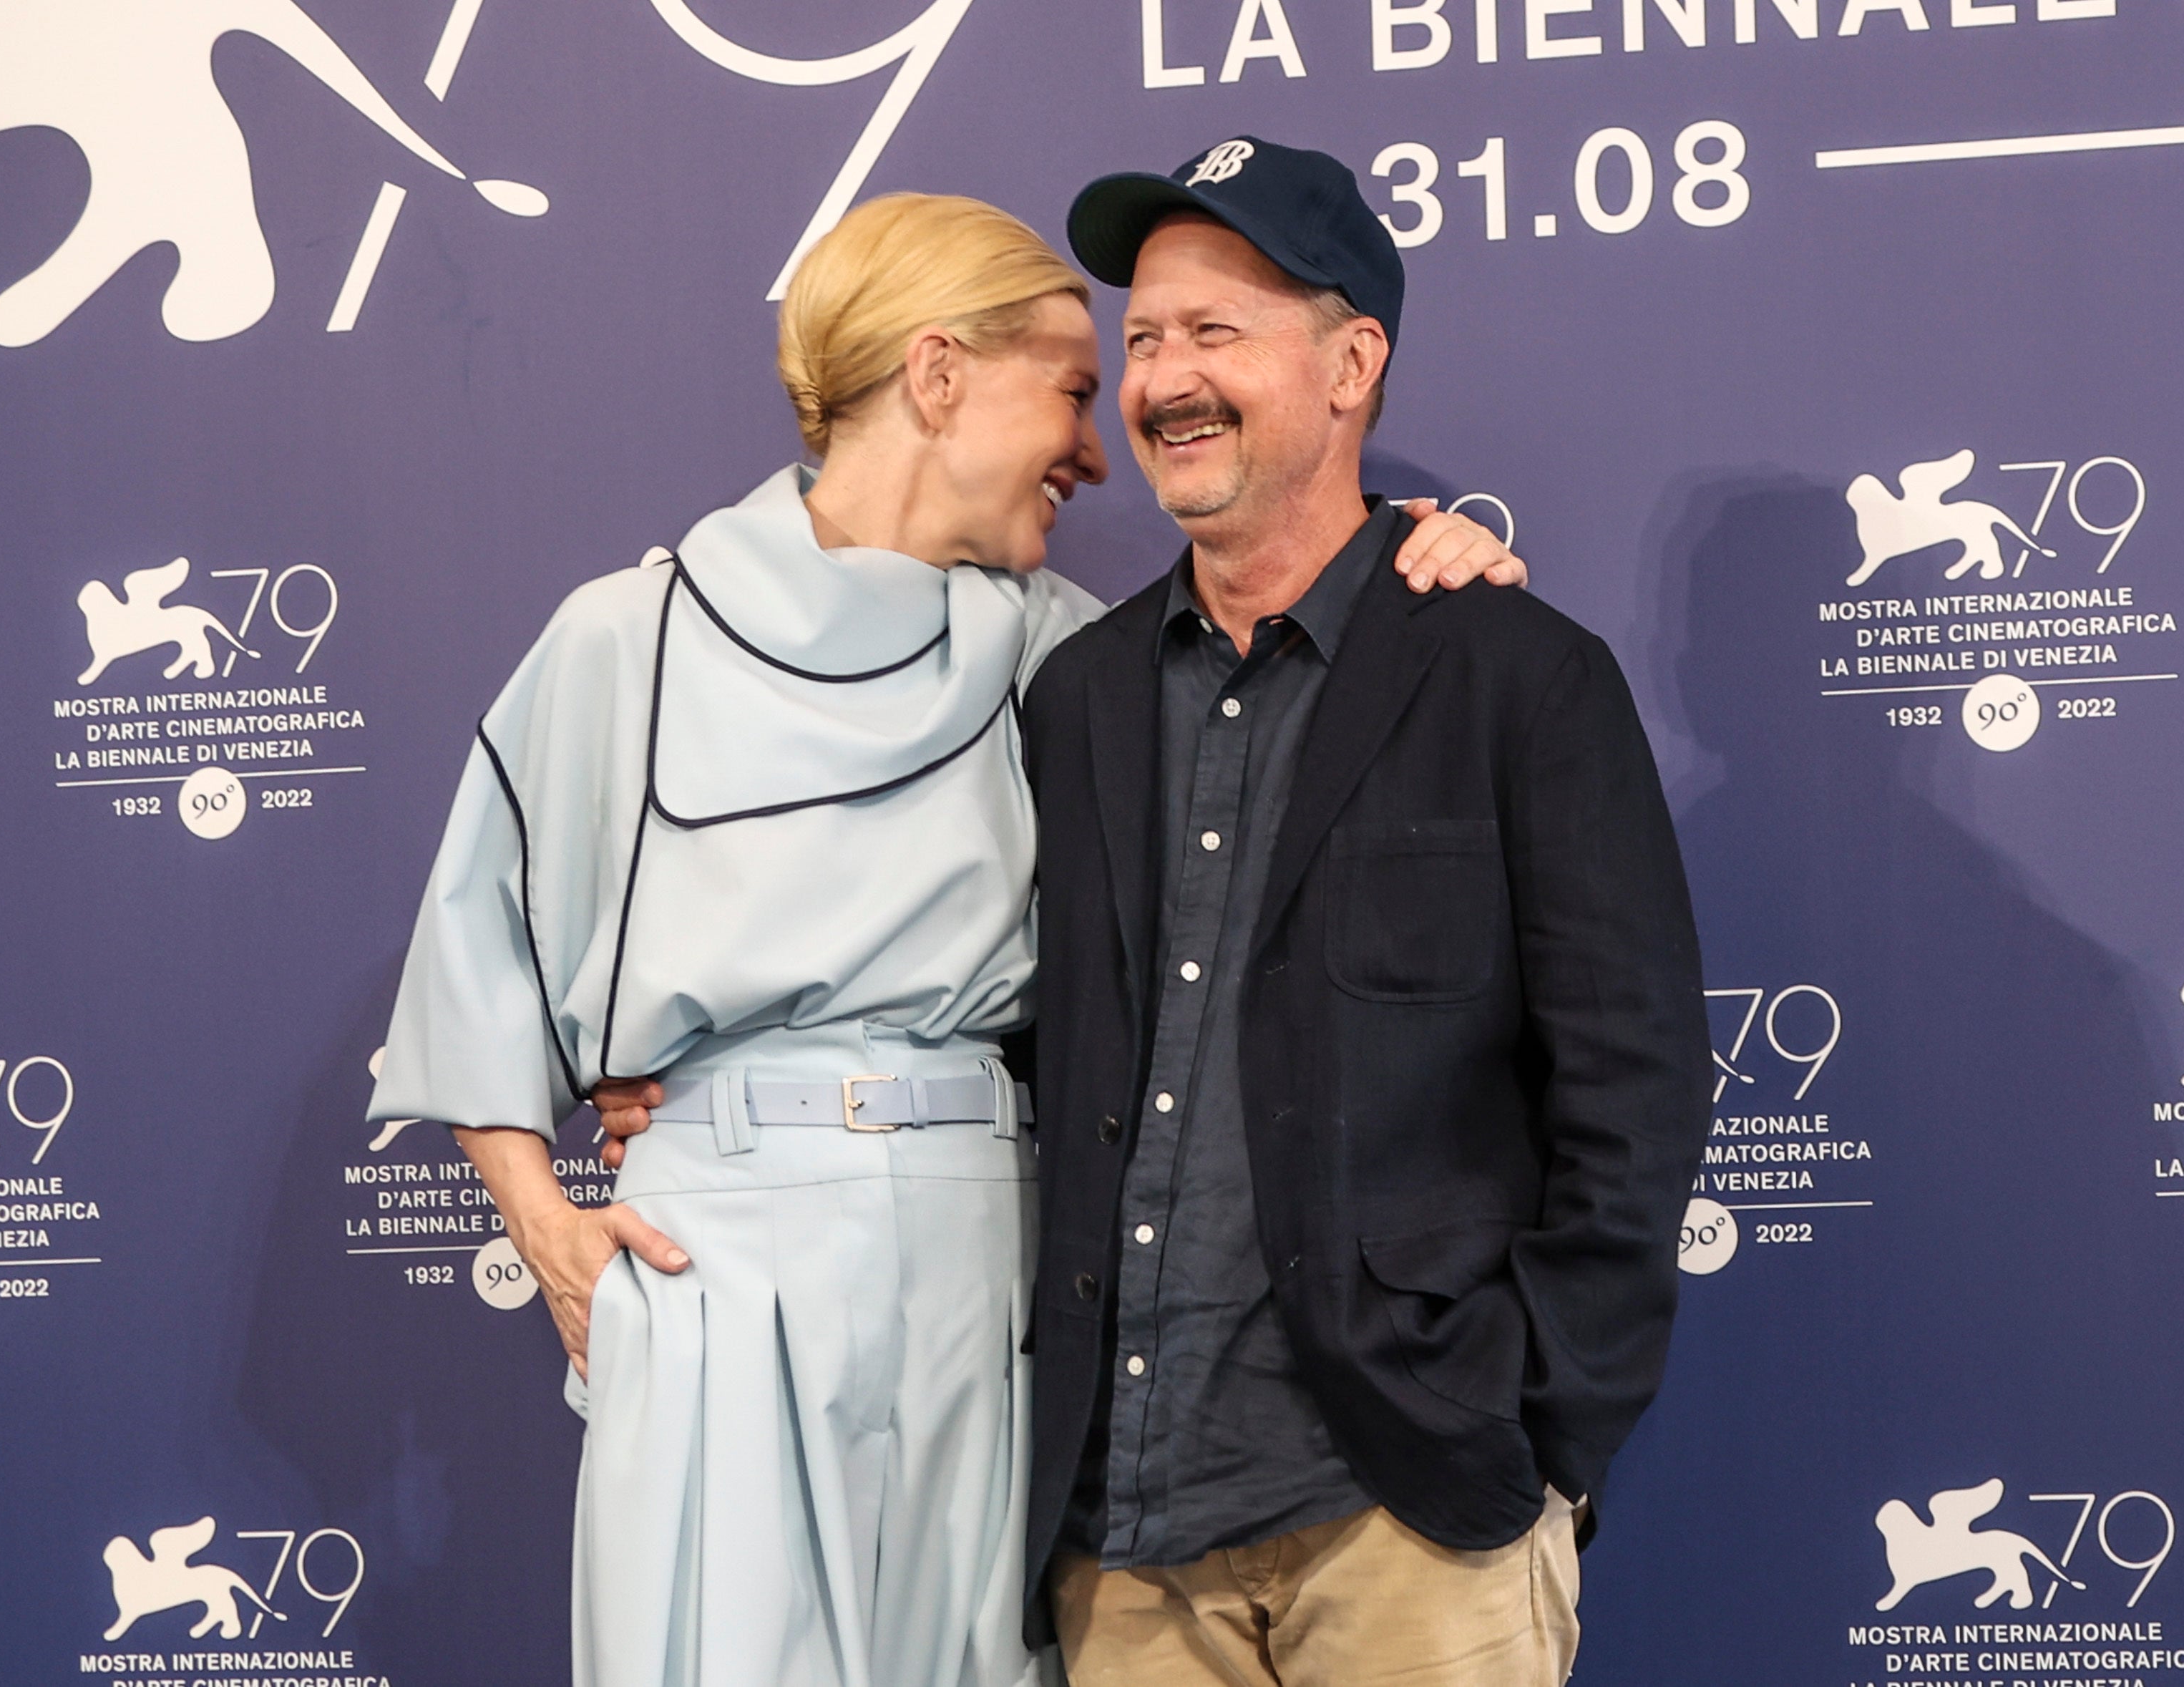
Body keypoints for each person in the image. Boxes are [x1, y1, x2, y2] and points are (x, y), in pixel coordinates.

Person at [372, 192, 1524, 1687]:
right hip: (713, 1256)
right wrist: (545, 1223)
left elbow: (1262, 768)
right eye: (1067, 385)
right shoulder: (624, 637)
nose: (1099, 445)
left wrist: (1426, 568)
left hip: (995, 1253)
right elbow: (479, 953)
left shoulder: (1072, 657)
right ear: (934, 377)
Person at [1015, 139, 1713, 1685]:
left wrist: (1539, 1427)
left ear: (1350, 365)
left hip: (1408, 1520)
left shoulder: (1517, 676)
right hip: (1121, 1545)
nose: (1164, 379)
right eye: (1140, 341)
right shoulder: (1076, 697)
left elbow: (1634, 1082)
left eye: (1216, 332)